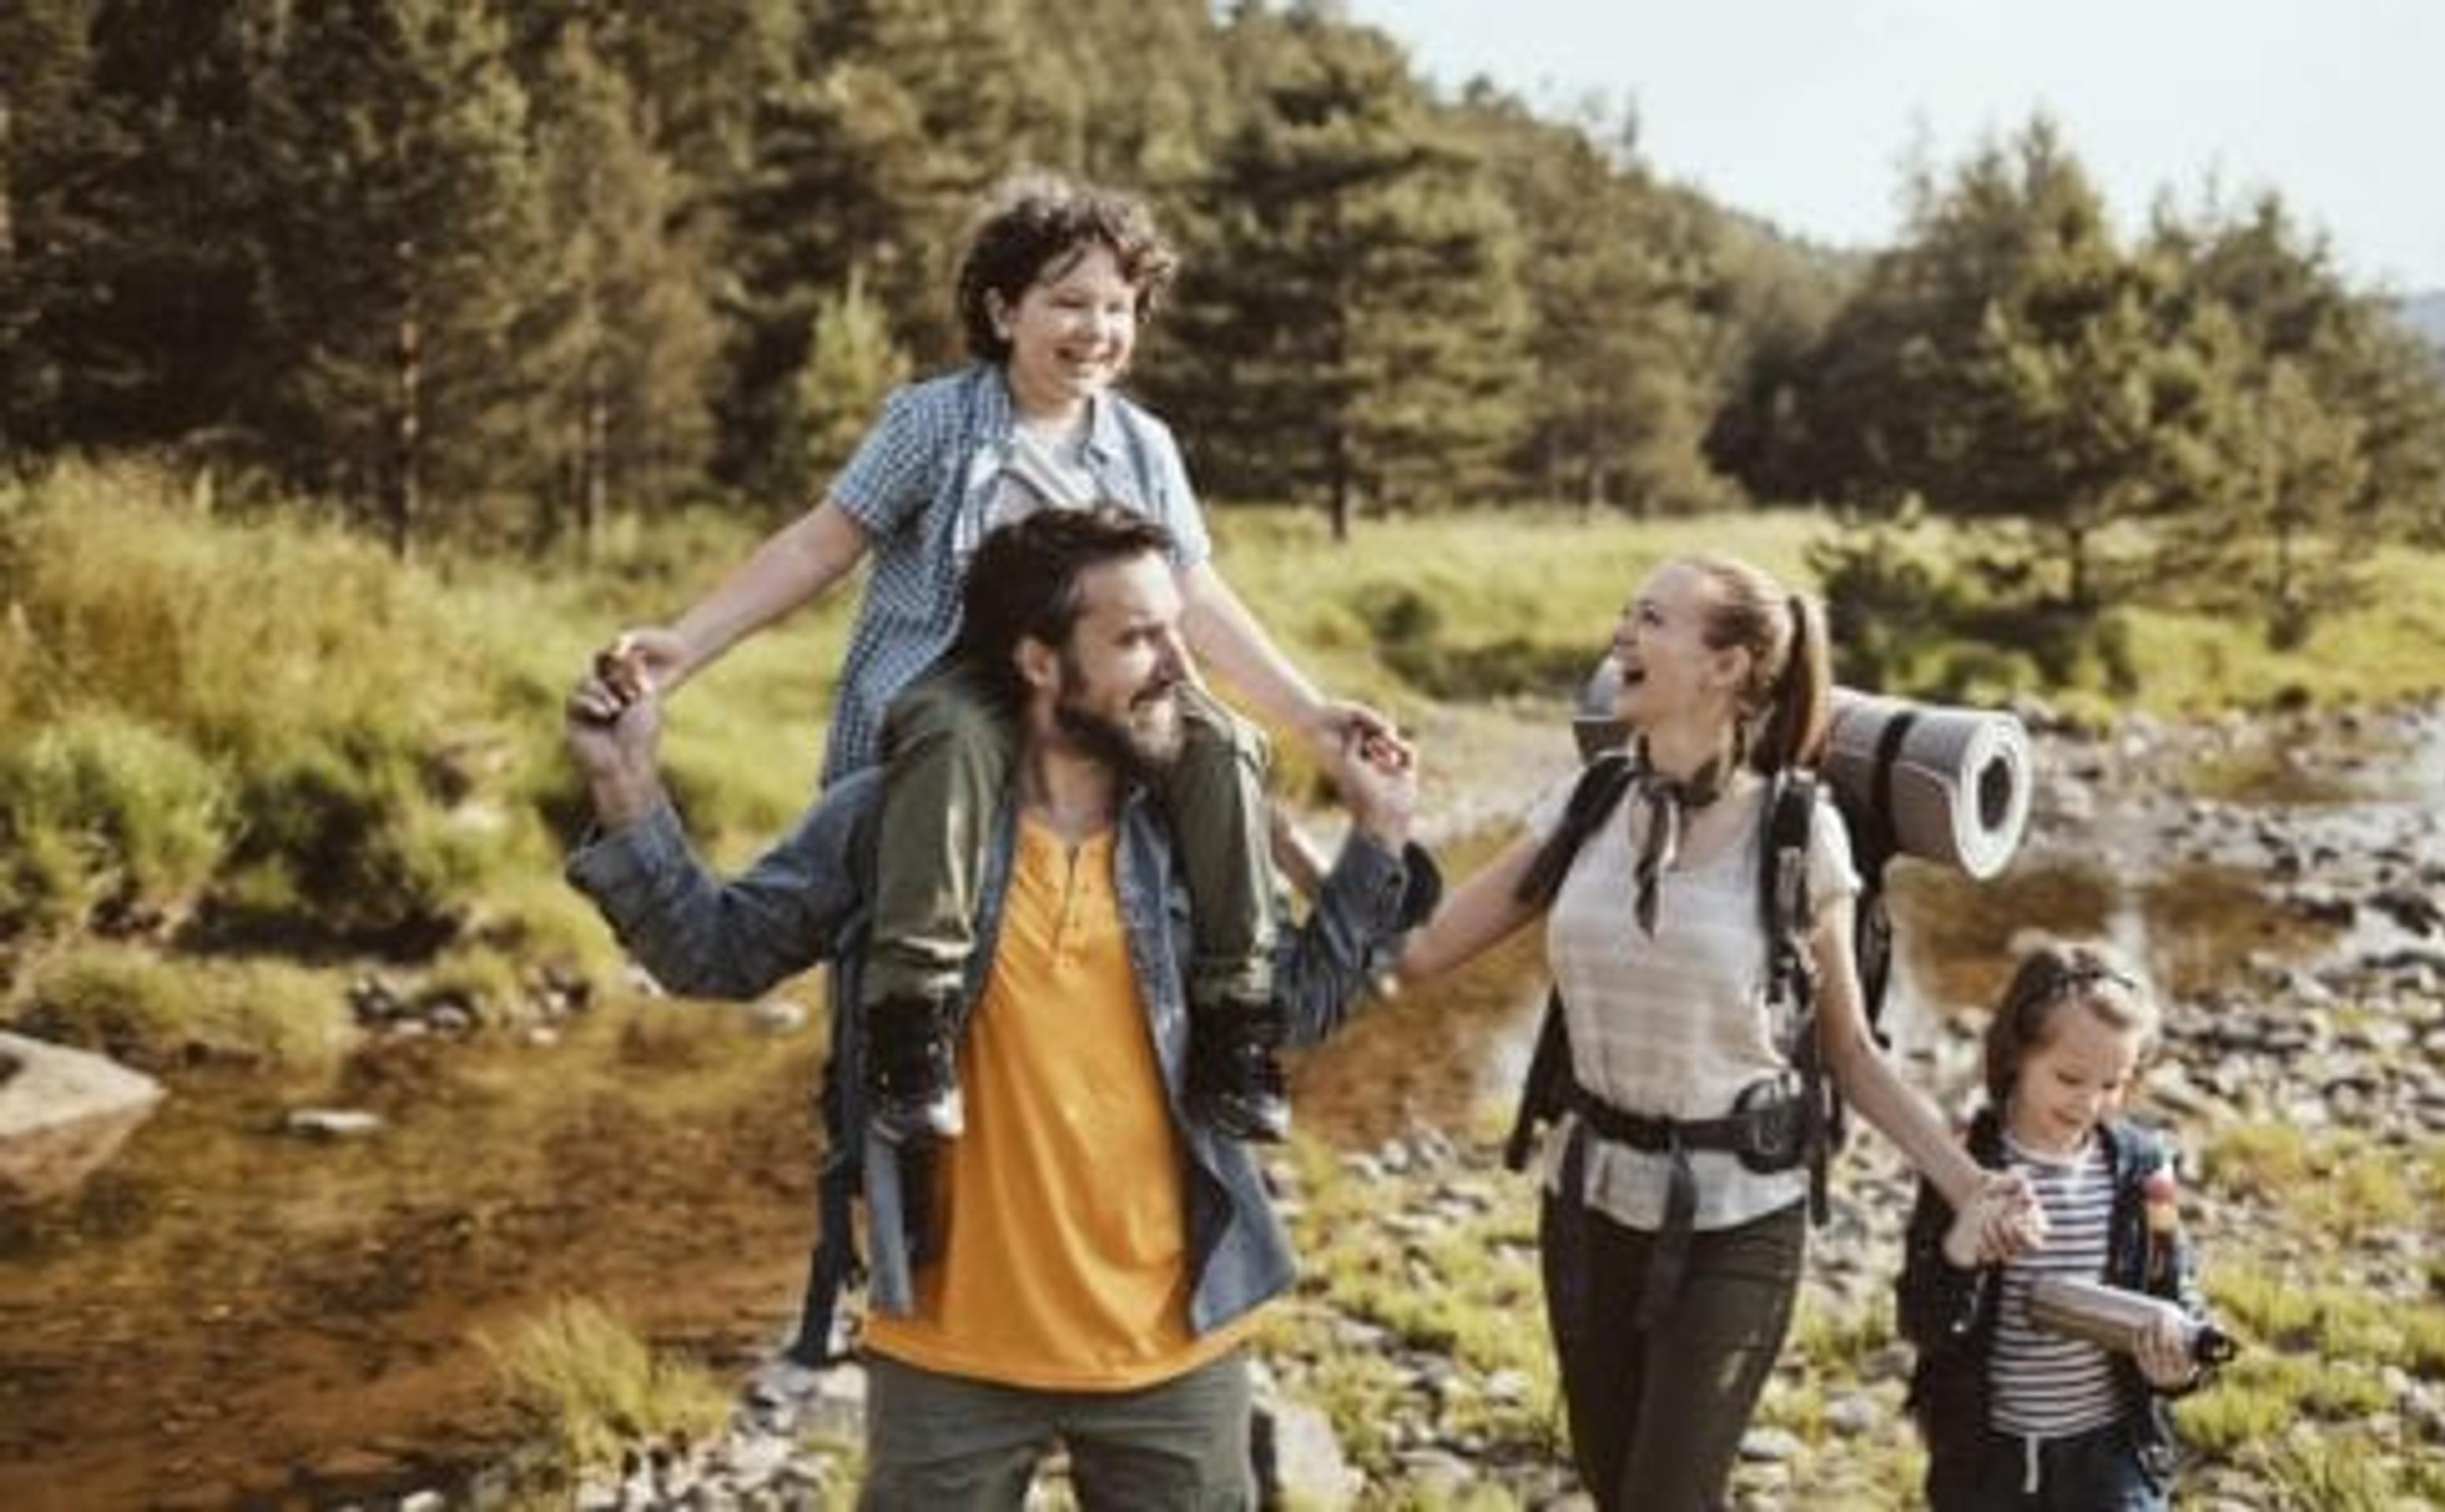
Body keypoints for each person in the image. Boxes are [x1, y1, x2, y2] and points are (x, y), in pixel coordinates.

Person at [562, 506, 1434, 1508]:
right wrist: (625, 782)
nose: (1176, 665)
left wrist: (1380, 837)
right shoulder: (894, 818)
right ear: (1038, 660)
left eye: (1173, 629)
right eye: (1136, 638)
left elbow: (1295, 1014)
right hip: (946, 1357)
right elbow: (712, 953)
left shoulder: (1195, 833)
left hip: (1176, 1350)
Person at [599, 174, 1375, 1155]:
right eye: (1068, 301)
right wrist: (686, 642)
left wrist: (1310, 714)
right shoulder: (935, 421)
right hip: (955, 681)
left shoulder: (1143, 444)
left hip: (1105, 701)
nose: (1096, 328)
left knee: (1225, 741)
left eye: (1117, 306)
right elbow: (820, 544)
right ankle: (912, 1021)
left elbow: (1199, 597)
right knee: (958, 731)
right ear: (1004, 310)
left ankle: (1237, 1019)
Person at [1386, 554, 2041, 1510]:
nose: (1620, 635)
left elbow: (1850, 1053)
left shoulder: (1797, 833)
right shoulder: (1590, 802)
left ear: (1726, 666)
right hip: (1587, 1198)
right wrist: (1318, 836)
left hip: (1738, 1218)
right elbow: (1418, 950)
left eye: (1650, 618)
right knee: (1617, 1489)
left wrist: (1972, 1183)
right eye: (1625, 613)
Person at [1895, 943, 2216, 1510]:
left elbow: (2175, 1294)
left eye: (2113, 1084)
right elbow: (1924, 1324)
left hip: (2112, 1458)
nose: (2091, 1103)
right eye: (2070, 1078)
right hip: (1986, 1462)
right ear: (2018, 1054)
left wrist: (2178, 1369)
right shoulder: (1964, 1164)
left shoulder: (2146, 1173)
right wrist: (1961, 1251)